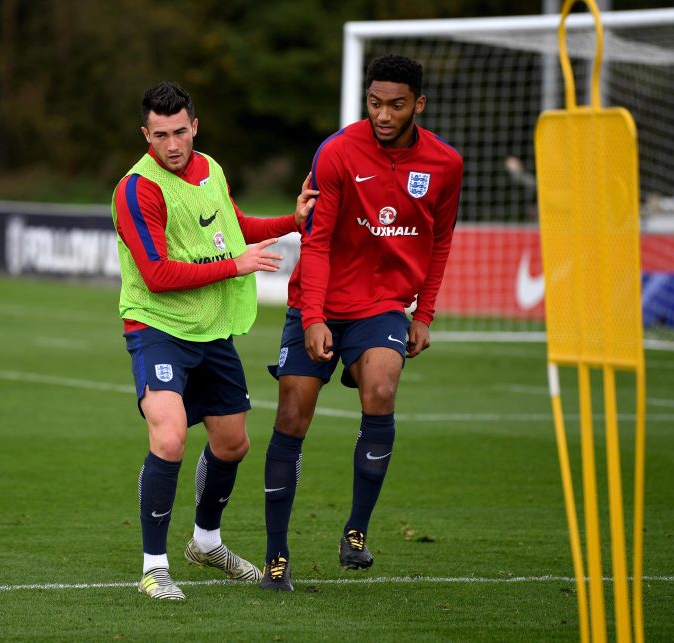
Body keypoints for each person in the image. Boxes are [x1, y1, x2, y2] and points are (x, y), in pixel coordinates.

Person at [260, 55, 463, 591]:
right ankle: (276, 557)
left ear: (418, 103)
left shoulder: (445, 164)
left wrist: (425, 313)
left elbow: (440, 241)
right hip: (319, 299)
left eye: (396, 104)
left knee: (381, 387)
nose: (384, 114)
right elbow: (317, 240)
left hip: (382, 307)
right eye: (375, 103)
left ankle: (355, 532)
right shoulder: (337, 151)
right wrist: (313, 316)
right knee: (292, 414)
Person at [112, 81, 318, 600]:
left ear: (195, 126)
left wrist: (291, 223)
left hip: (210, 328)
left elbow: (237, 227)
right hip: (157, 326)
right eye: (160, 135)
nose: (173, 144)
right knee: (170, 437)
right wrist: (236, 266)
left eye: (180, 131)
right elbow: (156, 275)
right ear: (146, 135)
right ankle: (154, 568)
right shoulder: (137, 190)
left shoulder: (213, 170)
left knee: (232, 443)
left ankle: (206, 543)